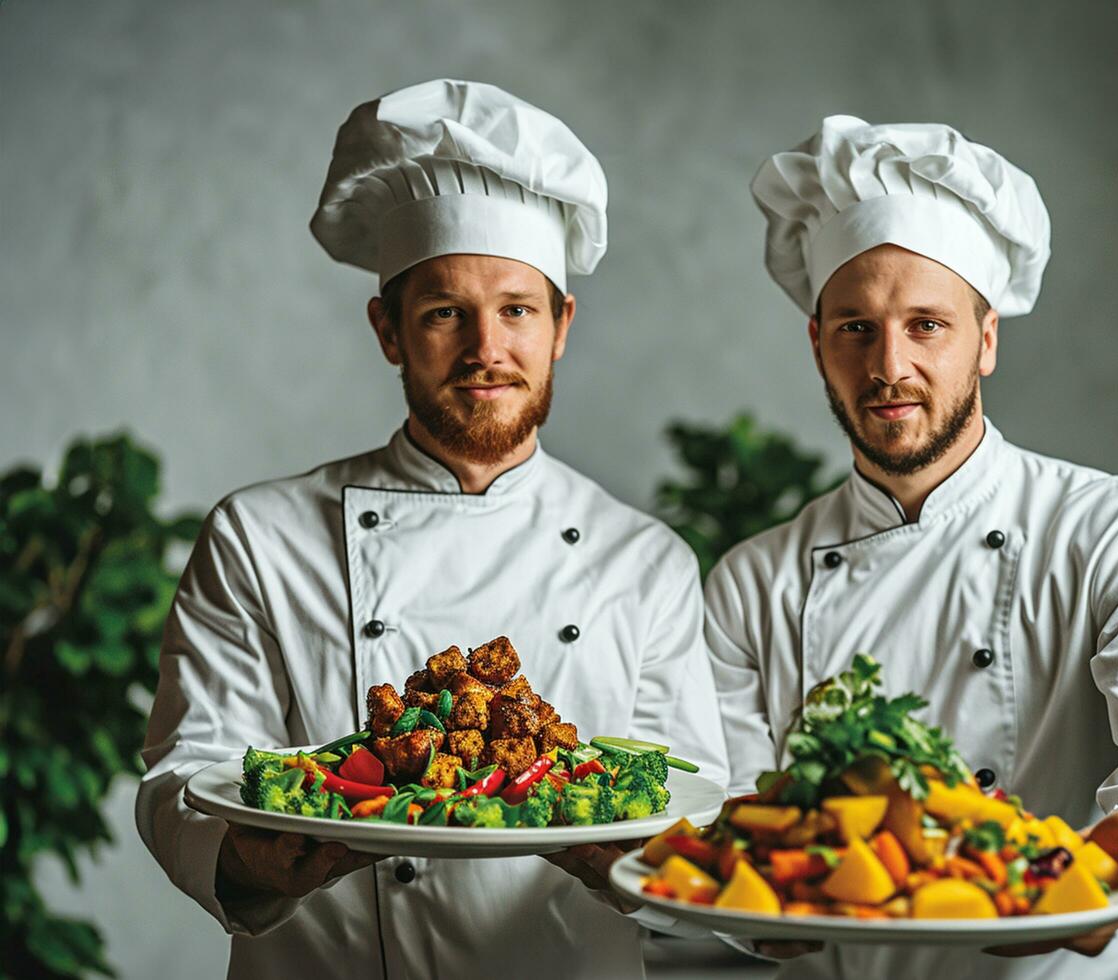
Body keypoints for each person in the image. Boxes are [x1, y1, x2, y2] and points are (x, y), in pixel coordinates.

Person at [135, 78, 728, 979]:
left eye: (517, 309)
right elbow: (186, 776)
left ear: (562, 325)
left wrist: (641, 863)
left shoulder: (644, 562)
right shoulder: (260, 537)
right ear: (388, 330)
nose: (486, 348)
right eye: (446, 311)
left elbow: (689, 803)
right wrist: (254, 855)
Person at [704, 115, 1118, 978]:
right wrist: (746, 909)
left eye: (926, 324)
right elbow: (733, 818)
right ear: (818, 344)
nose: (889, 364)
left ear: (988, 338)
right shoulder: (754, 583)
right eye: (855, 328)